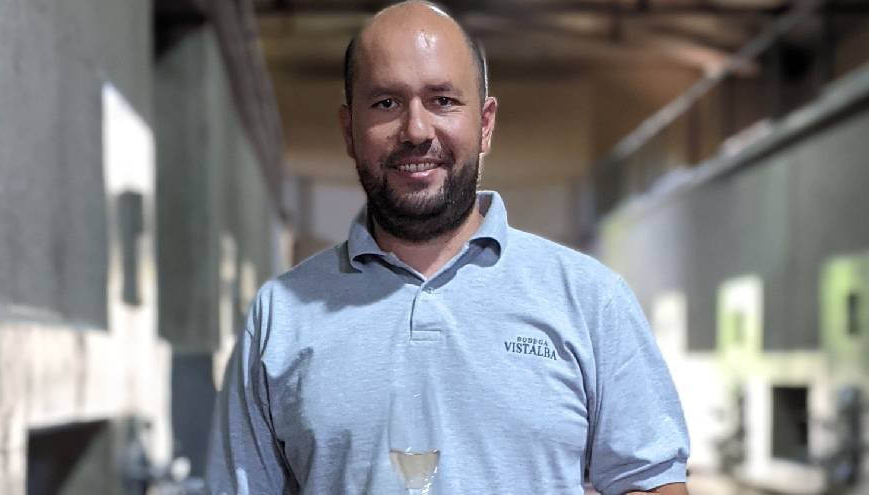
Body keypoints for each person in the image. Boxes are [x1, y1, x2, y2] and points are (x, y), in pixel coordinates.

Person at [206, 1, 690, 493]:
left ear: (485, 124)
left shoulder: (590, 301)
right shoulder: (281, 315)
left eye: (442, 100)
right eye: (386, 103)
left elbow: (651, 482)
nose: (416, 131)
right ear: (349, 131)